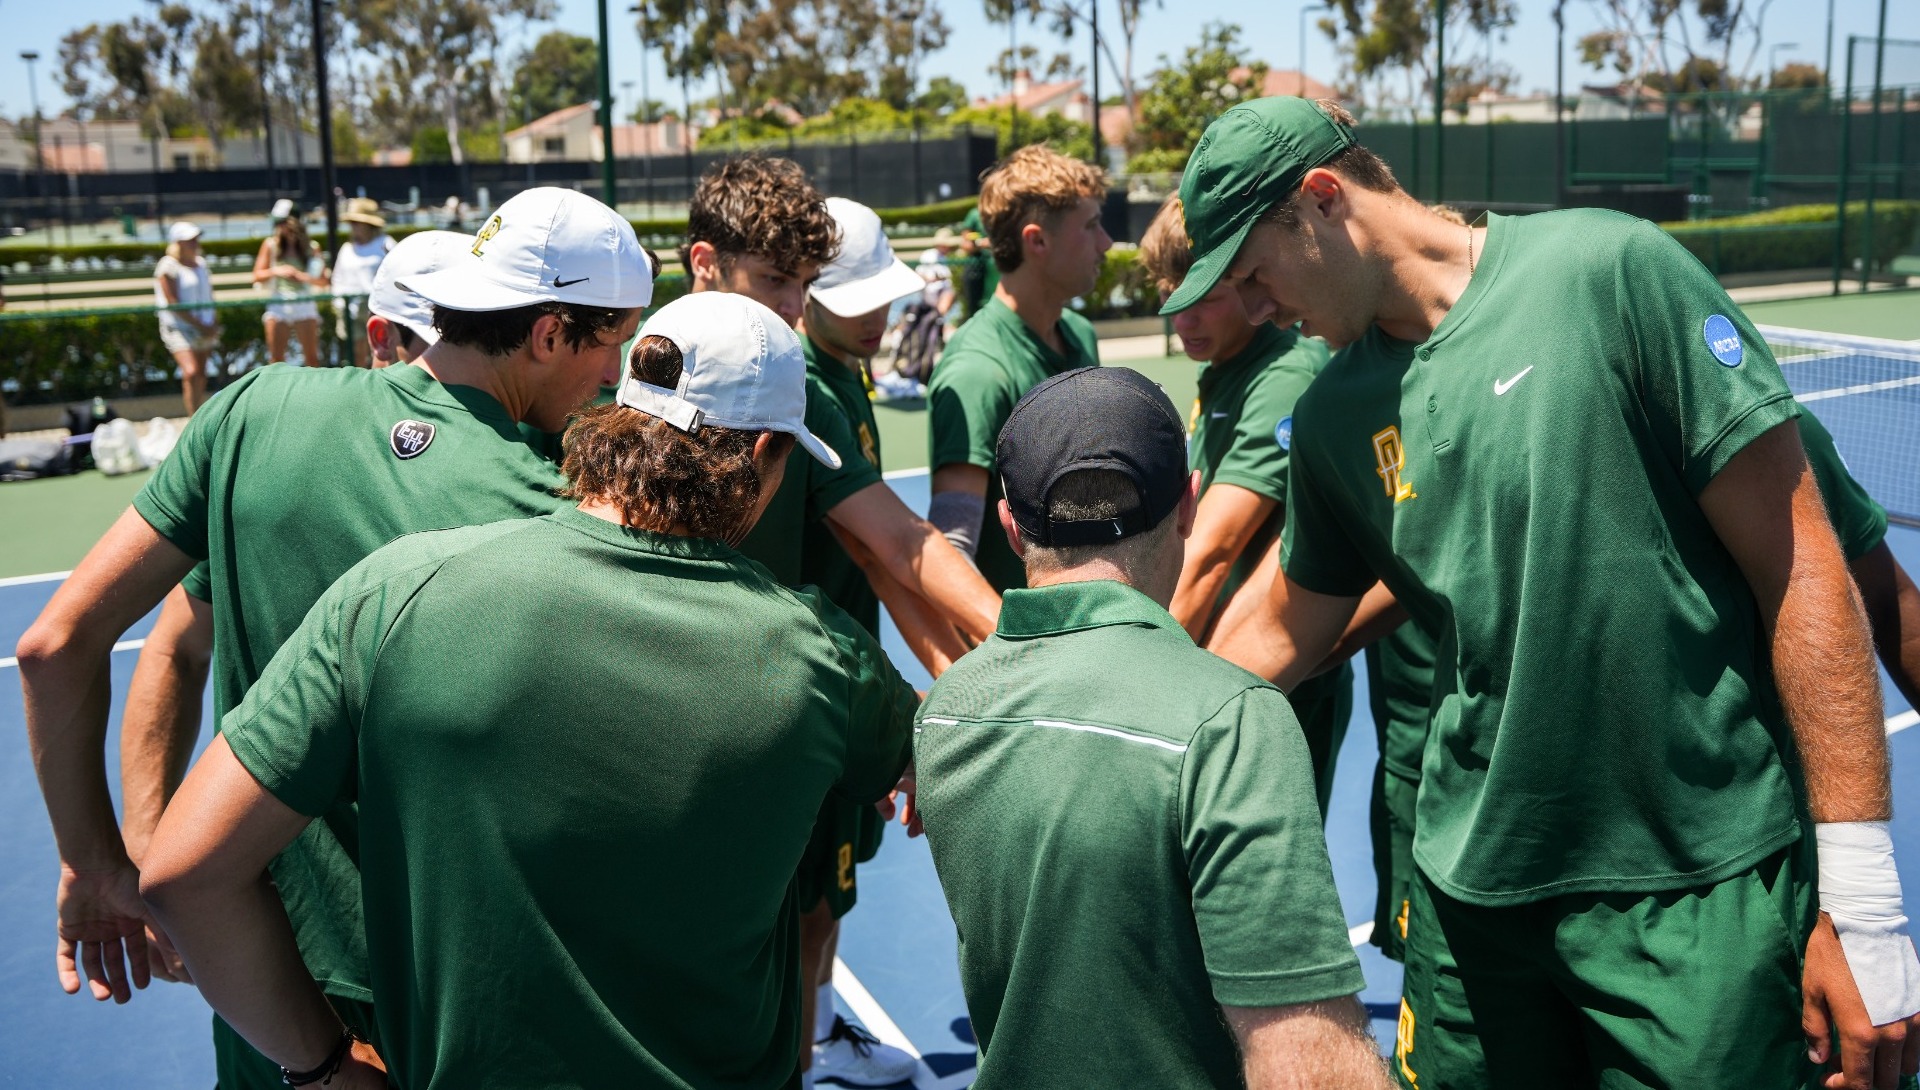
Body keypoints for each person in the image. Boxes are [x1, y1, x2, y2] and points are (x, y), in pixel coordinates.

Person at [1174, 95, 1920, 1089]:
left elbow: (1805, 565)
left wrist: (1863, 896)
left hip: (1697, 899)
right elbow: (1277, 627)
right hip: (1471, 911)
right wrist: (1127, 742)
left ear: (1321, 199)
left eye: (1252, 274)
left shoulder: (1611, 269)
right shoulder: (1332, 415)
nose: (1253, 309)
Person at [139, 291, 919, 1090]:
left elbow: (184, 875)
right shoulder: (821, 654)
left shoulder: (396, 593)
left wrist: (327, 1071)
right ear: (763, 452)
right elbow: (944, 759)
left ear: (621, 414)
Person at [17, 186, 650, 1089]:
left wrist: (97, 863)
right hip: (442, 1000)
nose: (614, 372)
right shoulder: (555, 504)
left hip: (254, 982)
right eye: (611, 341)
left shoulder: (250, 410)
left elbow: (53, 646)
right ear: (548, 334)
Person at [914, 365, 1389, 1089]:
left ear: (1009, 526)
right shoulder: (1232, 722)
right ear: (1189, 504)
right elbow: (1305, 1063)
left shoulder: (946, 710)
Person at [111, 227, 493, 995]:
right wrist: (146, 849)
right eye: (434, 343)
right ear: (383, 340)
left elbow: (149, 647)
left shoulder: (264, 434)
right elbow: (171, 647)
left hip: (398, 942)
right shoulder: (275, 453)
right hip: (345, 941)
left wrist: (149, 854)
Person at [732, 195, 1001, 1088]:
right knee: (797, 898)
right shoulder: (799, 382)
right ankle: (797, 1055)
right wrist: (997, 662)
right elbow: (884, 547)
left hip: (840, 672)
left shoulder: (843, 374)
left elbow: (884, 559)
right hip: (800, 684)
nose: (878, 316)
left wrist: (961, 670)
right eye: (852, 298)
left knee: (830, 888)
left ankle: (816, 1036)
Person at [1135, 194, 1351, 816]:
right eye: (1171, 297)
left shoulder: (1282, 375)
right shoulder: (1227, 364)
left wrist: (1132, 694)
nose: (1184, 319)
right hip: (1216, 670)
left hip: (1265, 686)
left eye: (1205, 296)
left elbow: (1211, 554)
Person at [927, 145, 1112, 593]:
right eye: (1090, 226)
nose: (1106, 242)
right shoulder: (977, 371)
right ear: (1037, 241)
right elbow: (951, 551)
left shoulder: (1079, 334)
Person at [156, 221, 220, 415]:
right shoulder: (167, 265)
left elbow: (209, 295)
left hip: (205, 326)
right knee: (190, 372)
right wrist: (201, 325)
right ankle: (193, 420)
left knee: (200, 374)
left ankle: (198, 417)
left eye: (195, 239)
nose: (195, 242)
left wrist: (213, 322)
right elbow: (173, 303)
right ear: (178, 243)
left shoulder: (201, 263)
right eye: (189, 239)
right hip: (179, 328)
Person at [253, 199, 328, 367]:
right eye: (277, 223)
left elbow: (323, 281)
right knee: (276, 361)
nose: (279, 227)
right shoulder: (270, 245)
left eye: (282, 222)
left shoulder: (312, 247)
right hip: (278, 302)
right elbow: (256, 275)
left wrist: (301, 277)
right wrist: (277, 271)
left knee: (312, 360)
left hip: (304, 302)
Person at [330, 198, 394, 368]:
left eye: (356, 222)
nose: (353, 227)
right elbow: (337, 278)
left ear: (369, 224)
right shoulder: (346, 249)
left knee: (381, 353)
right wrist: (339, 303)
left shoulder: (386, 243)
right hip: (350, 309)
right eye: (351, 223)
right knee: (357, 354)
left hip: (378, 309)